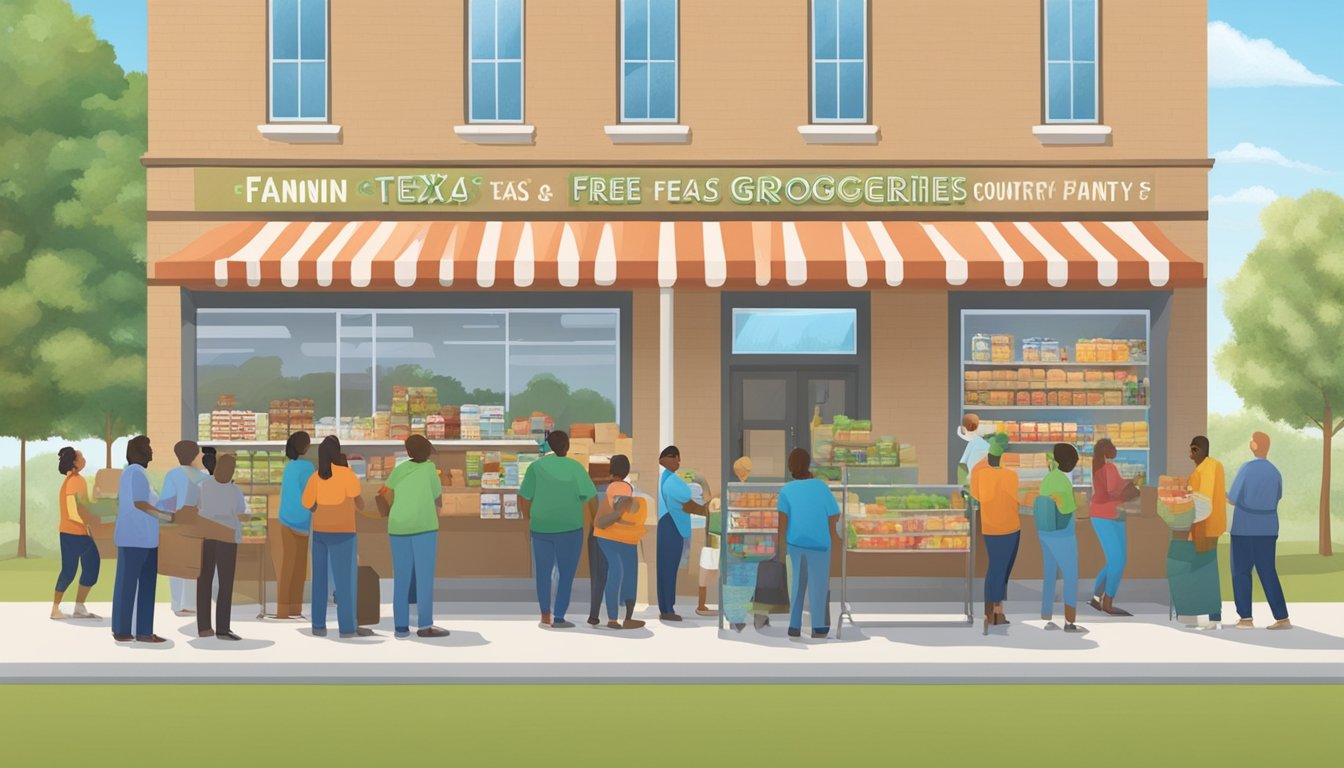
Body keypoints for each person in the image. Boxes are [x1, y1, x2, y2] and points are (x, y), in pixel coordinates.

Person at [518, 431, 597, 629]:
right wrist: (596, 520)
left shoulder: (536, 468)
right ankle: (560, 616)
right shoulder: (575, 468)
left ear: (548, 445)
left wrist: (529, 517)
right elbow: (591, 497)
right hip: (570, 528)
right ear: (567, 446)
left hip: (541, 527)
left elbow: (524, 497)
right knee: (566, 574)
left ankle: (545, 614)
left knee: (543, 573)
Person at [301, 436, 371, 638]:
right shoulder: (346, 474)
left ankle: (318, 626)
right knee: (345, 583)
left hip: (321, 534)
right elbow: (360, 504)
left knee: (319, 581)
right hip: (344, 534)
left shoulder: (315, 476)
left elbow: (307, 503)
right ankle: (347, 628)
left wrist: (321, 508)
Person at [111, 436, 175, 643]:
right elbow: (141, 503)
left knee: (137, 584)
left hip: (142, 538)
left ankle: (137, 630)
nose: (151, 452)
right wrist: (166, 516)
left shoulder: (134, 474)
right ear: (139, 452)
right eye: (148, 448)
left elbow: (148, 501)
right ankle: (131, 631)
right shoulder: (136, 473)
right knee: (133, 585)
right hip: (136, 538)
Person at [385, 435, 448, 639]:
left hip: (398, 527)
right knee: (423, 578)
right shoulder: (429, 469)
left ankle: (401, 627)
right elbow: (436, 493)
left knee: (401, 578)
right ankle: (424, 625)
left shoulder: (400, 469)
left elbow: (388, 489)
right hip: (424, 526)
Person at [1226, 432, 1291, 630]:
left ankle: (1246, 618)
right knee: (1268, 571)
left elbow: (1232, 499)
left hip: (1245, 528)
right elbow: (1278, 496)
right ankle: (1282, 618)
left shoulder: (1247, 468)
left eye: (1251, 439)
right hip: (1268, 528)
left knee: (1241, 572)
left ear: (1254, 445)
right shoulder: (1275, 471)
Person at [776, 448, 840, 640]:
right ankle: (818, 628)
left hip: (795, 543)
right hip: (820, 543)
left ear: (790, 468)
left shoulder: (786, 490)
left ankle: (794, 626)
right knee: (818, 585)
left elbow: (782, 523)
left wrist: (781, 549)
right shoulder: (821, 487)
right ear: (808, 464)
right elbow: (834, 514)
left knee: (796, 584)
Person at [196, 453, 251, 641]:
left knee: (204, 582)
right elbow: (241, 512)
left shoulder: (202, 486)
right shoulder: (234, 491)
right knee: (225, 584)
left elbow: (197, 510)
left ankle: (203, 627)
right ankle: (223, 628)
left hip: (206, 538)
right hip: (227, 539)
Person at [592, 455, 648, 630]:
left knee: (615, 573)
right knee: (627, 574)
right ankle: (625, 618)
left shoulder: (610, 486)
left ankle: (613, 618)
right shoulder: (621, 487)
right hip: (621, 536)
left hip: (606, 537)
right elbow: (620, 509)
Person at [970, 433, 1019, 628]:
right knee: (1003, 571)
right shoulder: (1011, 476)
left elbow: (976, 496)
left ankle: (990, 611)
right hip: (1012, 527)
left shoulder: (979, 474)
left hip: (990, 527)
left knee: (995, 569)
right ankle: (996, 611)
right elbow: (1015, 498)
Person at [1036, 444, 1086, 633]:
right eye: (1073, 461)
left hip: (1044, 532)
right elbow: (1068, 509)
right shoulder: (1064, 482)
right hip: (1062, 534)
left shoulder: (1048, 478)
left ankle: (1046, 615)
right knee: (1071, 574)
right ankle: (1070, 621)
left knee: (1049, 572)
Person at [1088, 438, 1137, 616]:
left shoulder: (1106, 468)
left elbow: (1119, 487)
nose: (1116, 450)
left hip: (1110, 516)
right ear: (1105, 450)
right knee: (1118, 560)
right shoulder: (1107, 468)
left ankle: (1095, 597)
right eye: (1112, 447)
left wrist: (1132, 484)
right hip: (1107, 516)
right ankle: (1107, 602)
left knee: (1115, 560)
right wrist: (1132, 490)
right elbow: (1112, 493)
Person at [656, 446, 705, 621]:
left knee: (665, 568)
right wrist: (706, 511)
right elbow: (688, 503)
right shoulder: (671, 481)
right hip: (672, 526)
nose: (679, 462)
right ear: (671, 458)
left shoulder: (666, 478)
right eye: (677, 458)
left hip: (667, 524)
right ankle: (668, 609)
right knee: (669, 568)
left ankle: (666, 607)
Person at [51, 447, 101, 620]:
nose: (84, 459)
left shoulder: (76, 480)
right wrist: (88, 526)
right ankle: (56, 608)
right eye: (81, 457)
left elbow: (84, 506)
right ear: (74, 462)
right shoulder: (74, 481)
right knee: (70, 570)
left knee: (89, 567)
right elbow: (73, 510)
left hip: (77, 533)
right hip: (73, 533)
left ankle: (78, 607)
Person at [1186, 435, 1228, 630]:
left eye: (1192, 450)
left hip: (1205, 525)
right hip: (1211, 524)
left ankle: (1213, 617)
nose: (1190, 454)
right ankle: (1211, 615)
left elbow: (1203, 498)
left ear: (1198, 449)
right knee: (1206, 569)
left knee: (1206, 570)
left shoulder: (1207, 468)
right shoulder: (1214, 465)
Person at [161, 440, 207, 617]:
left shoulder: (172, 475)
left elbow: (166, 502)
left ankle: (178, 604)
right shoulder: (203, 477)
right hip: (197, 525)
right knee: (194, 564)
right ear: (195, 456)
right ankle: (191, 604)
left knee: (176, 565)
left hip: (176, 524)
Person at [276, 432, 315, 620]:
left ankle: (282, 609)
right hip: (303, 521)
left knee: (287, 566)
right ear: (306, 448)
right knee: (300, 567)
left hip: (285, 520)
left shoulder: (288, 467)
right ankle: (295, 608)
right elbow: (311, 493)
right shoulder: (308, 467)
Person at [958, 413, 991, 487]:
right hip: (982, 481)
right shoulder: (985, 445)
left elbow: (962, 466)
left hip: (970, 482)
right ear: (978, 426)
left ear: (963, 427)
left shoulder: (966, 442)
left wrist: (962, 484)